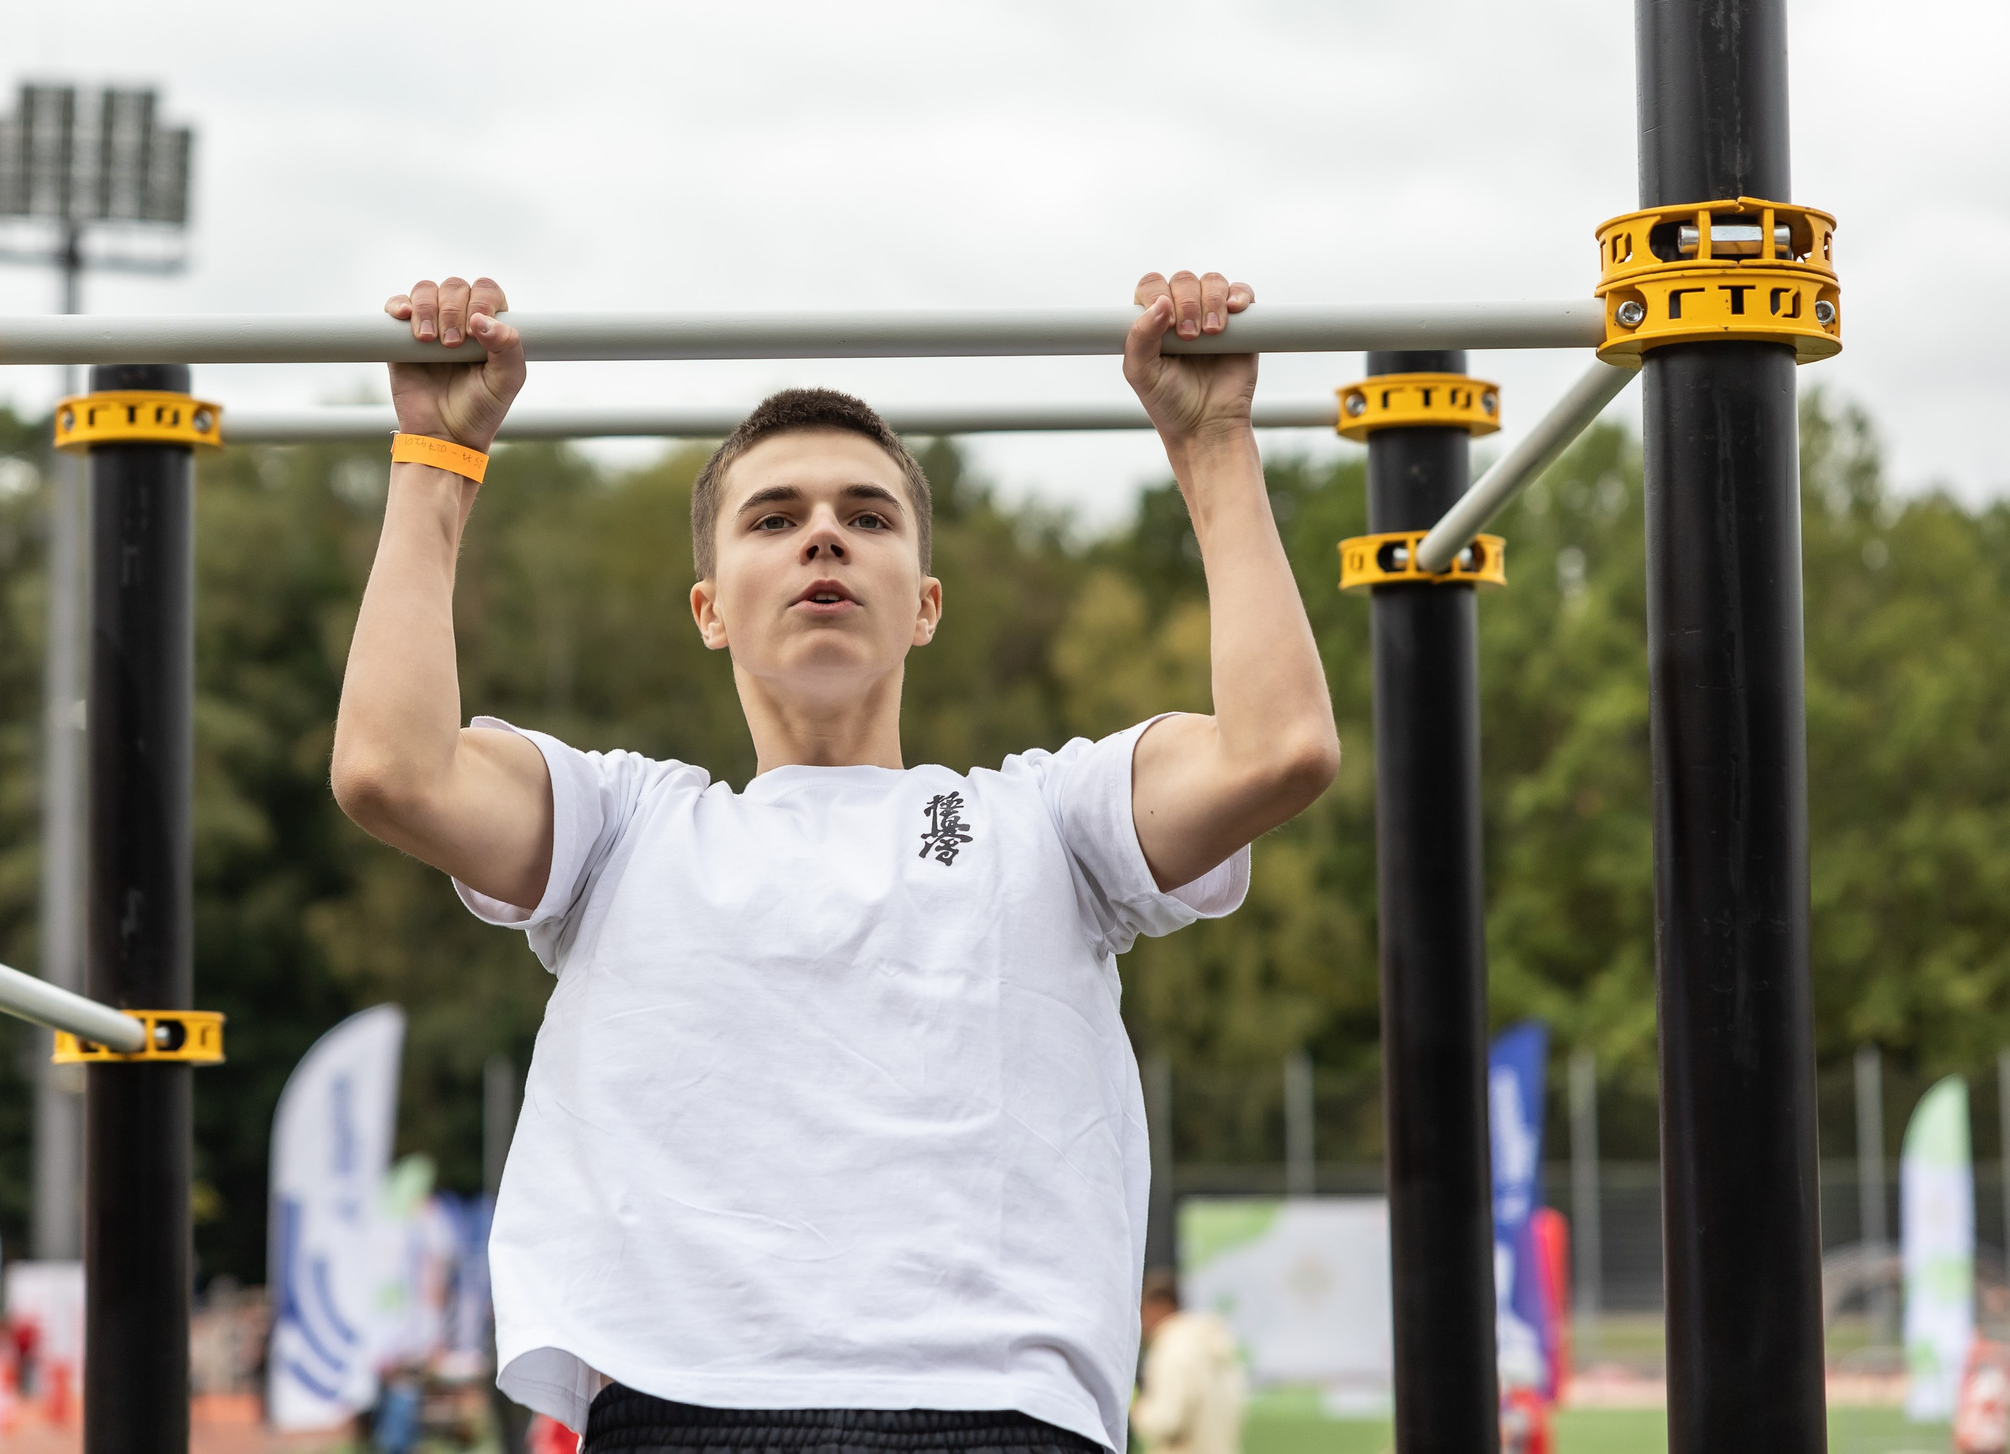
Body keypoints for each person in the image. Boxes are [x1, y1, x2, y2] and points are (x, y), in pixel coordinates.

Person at [333, 272, 1340, 1454]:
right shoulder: (622, 825)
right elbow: (391, 772)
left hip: (999, 1409)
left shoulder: (1044, 817)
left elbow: (1280, 749)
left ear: (924, 603)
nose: (822, 532)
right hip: (687, 1405)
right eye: (773, 517)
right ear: (708, 607)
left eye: (867, 515)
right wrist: (435, 459)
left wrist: (1213, 444)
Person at [1131, 1272, 1247, 1454]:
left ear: (1160, 1306)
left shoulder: (1172, 1349)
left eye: (1143, 1309)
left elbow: (1166, 1420)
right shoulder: (1219, 1346)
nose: (1141, 1321)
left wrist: (1138, 1410)